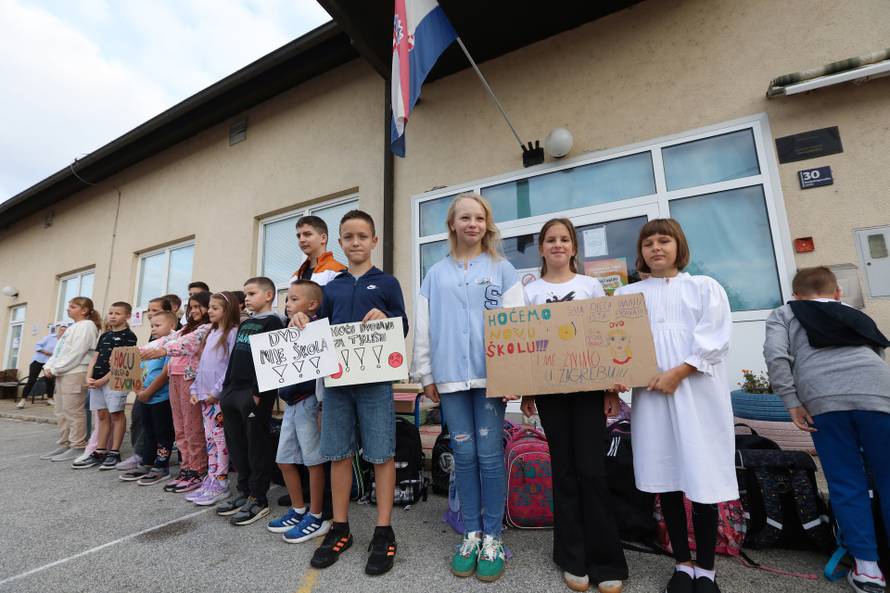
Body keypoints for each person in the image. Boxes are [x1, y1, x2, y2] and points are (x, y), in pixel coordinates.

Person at [614, 219, 736, 593]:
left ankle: (707, 570)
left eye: (664, 240)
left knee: (702, 477)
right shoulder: (628, 296)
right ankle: (682, 564)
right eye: (648, 243)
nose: (656, 248)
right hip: (652, 398)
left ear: (678, 246)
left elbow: (715, 339)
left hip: (697, 396)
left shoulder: (704, 288)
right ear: (641, 252)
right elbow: (617, 343)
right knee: (666, 478)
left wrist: (679, 372)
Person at [410, 193, 522, 583]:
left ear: (486, 224)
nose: (472, 224)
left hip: (493, 377)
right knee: (464, 454)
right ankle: (471, 534)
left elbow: (517, 322)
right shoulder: (435, 273)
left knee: (489, 456)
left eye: (479, 218)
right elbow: (423, 326)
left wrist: (514, 374)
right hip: (451, 378)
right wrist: (425, 374)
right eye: (465, 218)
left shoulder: (503, 268)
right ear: (452, 225)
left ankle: (493, 536)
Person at [292, 209, 407, 576]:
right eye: (349, 237)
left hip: (375, 384)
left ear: (374, 241)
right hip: (338, 384)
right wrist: (301, 320)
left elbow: (402, 326)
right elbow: (318, 328)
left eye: (362, 236)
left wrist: (388, 320)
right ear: (340, 242)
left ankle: (383, 530)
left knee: (382, 454)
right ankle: (340, 527)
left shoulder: (387, 283)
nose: (356, 242)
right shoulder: (333, 287)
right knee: (339, 454)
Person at [764, 266, 890, 593]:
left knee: (846, 481)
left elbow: (776, 356)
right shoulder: (853, 313)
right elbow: (877, 351)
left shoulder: (784, 313)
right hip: (879, 395)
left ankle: (868, 570)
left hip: (824, 400)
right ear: (837, 293)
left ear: (794, 295)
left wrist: (791, 401)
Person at [519, 218, 628, 593]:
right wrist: (527, 391)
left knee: (592, 472)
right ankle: (572, 558)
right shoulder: (530, 291)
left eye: (564, 239)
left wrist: (610, 390)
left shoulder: (590, 286)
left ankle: (606, 561)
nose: (558, 245)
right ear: (541, 248)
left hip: (589, 390)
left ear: (574, 247)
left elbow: (605, 335)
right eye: (550, 239)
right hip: (550, 393)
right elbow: (525, 344)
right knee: (564, 471)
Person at [215, 277, 285, 525]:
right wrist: (226, 389)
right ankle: (243, 491)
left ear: (268, 295)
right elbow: (235, 357)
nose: (246, 298)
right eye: (245, 294)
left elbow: (271, 360)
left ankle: (258, 497)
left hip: (254, 394)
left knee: (256, 445)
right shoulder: (247, 323)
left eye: (252, 293)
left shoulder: (274, 322)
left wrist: (257, 392)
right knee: (237, 443)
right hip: (232, 391)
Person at [267, 279, 331, 543]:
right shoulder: (287, 329)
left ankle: (317, 515)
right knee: (284, 460)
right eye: (287, 299)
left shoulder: (318, 328)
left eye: (294, 299)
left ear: (313, 304)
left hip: (309, 402)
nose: (287, 304)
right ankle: (298, 509)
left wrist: (321, 406)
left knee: (313, 462)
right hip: (291, 404)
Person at [142, 292, 211, 494]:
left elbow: (186, 343)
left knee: (192, 427)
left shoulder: (207, 328)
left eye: (199, 306)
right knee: (180, 427)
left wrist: (163, 350)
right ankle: (186, 467)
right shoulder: (184, 329)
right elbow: (164, 340)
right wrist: (138, 351)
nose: (194, 310)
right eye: (192, 306)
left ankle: (197, 469)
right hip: (175, 377)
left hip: (191, 380)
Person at [185, 291, 240, 506]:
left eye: (215, 308)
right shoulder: (211, 332)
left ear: (227, 310)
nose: (209, 311)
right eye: (210, 307)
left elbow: (230, 368)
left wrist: (215, 393)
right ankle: (211, 477)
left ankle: (221, 482)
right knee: (210, 440)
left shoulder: (232, 333)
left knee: (220, 440)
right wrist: (195, 390)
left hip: (217, 398)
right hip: (205, 398)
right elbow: (203, 366)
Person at [73, 302, 137, 470]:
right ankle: (100, 451)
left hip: (115, 381)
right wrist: (89, 377)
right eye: (110, 312)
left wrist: (103, 380)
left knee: (116, 414)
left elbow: (122, 364)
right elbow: (95, 358)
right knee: (102, 415)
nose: (113, 316)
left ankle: (114, 452)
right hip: (97, 381)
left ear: (127, 316)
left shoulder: (129, 336)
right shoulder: (104, 336)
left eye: (118, 313)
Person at [39, 297, 101, 463]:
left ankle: (78, 445)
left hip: (76, 372)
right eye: (69, 306)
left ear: (84, 310)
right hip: (64, 373)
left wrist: (55, 369)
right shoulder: (72, 327)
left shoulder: (87, 326)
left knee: (74, 412)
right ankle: (65, 443)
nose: (68, 309)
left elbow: (77, 352)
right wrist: (48, 366)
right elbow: (59, 351)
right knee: (61, 411)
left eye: (73, 307)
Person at [116, 296, 175, 472]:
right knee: (148, 431)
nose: (153, 328)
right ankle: (147, 462)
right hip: (144, 397)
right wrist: (138, 390)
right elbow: (138, 369)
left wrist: (148, 392)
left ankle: (161, 465)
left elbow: (166, 374)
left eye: (158, 325)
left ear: (172, 326)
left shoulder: (171, 347)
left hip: (160, 398)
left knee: (163, 432)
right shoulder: (149, 346)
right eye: (152, 326)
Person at [289, 215, 347, 284]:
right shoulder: (294, 277)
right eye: (299, 236)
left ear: (323, 238)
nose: (301, 240)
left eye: (307, 234)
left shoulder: (338, 271)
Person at [17, 325, 62, 408]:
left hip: (49, 363)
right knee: (31, 380)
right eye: (61, 330)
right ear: (58, 331)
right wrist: (45, 352)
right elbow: (37, 346)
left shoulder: (64, 341)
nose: (63, 332)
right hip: (38, 360)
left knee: (50, 380)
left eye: (65, 330)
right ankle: (23, 400)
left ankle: (50, 399)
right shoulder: (50, 337)